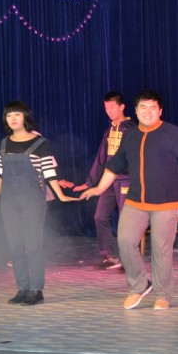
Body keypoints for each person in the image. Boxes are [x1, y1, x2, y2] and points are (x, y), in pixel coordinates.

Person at [79, 90, 178, 311]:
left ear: (160, 111)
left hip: (166, 202)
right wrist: (99, 187)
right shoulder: (130, 135)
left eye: (152, 108)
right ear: (136, 110)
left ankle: (163, 294)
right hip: (136, 200)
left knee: (161, 249)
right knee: (125, 241)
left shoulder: (172, 133)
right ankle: (138, 286)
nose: (147, 112)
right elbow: (115, 164)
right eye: (143, 108)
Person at [0, 101, 78, 306]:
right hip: (9, 200)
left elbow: (49, 172)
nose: (13, 119)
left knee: (33, 244)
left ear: (25, 117)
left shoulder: (40, 143)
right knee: (15, 245)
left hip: (32, 200)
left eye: (17, 114)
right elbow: (1, 172)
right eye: (9, 115)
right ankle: (22, 288)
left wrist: (60, 195)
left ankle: (36, 290)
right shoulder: (4, 143)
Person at [72, 91, 136, 270]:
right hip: (108, 181)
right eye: (107, 108)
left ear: (122, 107)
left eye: (112, 108)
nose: (109, 111)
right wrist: (89, 183)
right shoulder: (108, 131)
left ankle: (129, 259)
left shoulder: (131, 129)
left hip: (126, 179)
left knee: (126, 219)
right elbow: (101, 159)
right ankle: (109, 255)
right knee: (100, 216)